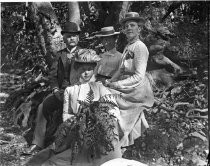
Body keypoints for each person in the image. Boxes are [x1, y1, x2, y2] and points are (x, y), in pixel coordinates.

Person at [26, 49, 122, 166]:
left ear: (94, 69)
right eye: (82, 70)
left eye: (89, 70)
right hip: (78, 133)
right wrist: (79, 120)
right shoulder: (70, 90)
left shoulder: (100, 88)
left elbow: (113, 109)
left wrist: (101, 118)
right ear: (76, 70)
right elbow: (66, 115)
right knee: (54, 159)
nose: (86, 73)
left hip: (99, 134)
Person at [28, 21, 82, 153]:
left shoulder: (84, 53)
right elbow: (52, 75)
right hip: (61, 91)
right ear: (64, 38)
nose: (72, 39)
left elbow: (88, 75)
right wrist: (55, 89)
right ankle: (37, 143)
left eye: (74, 36)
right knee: (43, 106)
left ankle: (72, 145)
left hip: (78, 92)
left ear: (78, 38)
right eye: (69, 36)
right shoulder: (59, 54)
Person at [105, 12, 154, 147]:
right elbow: (121, 70)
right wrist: (110, 82)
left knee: (109, 97)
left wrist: (116, 85)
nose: (129, 28)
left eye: (132, 25)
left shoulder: (140, 47)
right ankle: (109, 137)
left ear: (139, 28)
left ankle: (118, 140)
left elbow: (138, 76)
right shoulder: (127, 47)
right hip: (127, 84)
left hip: (137, 88)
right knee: (103, 90)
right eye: (126, 26)